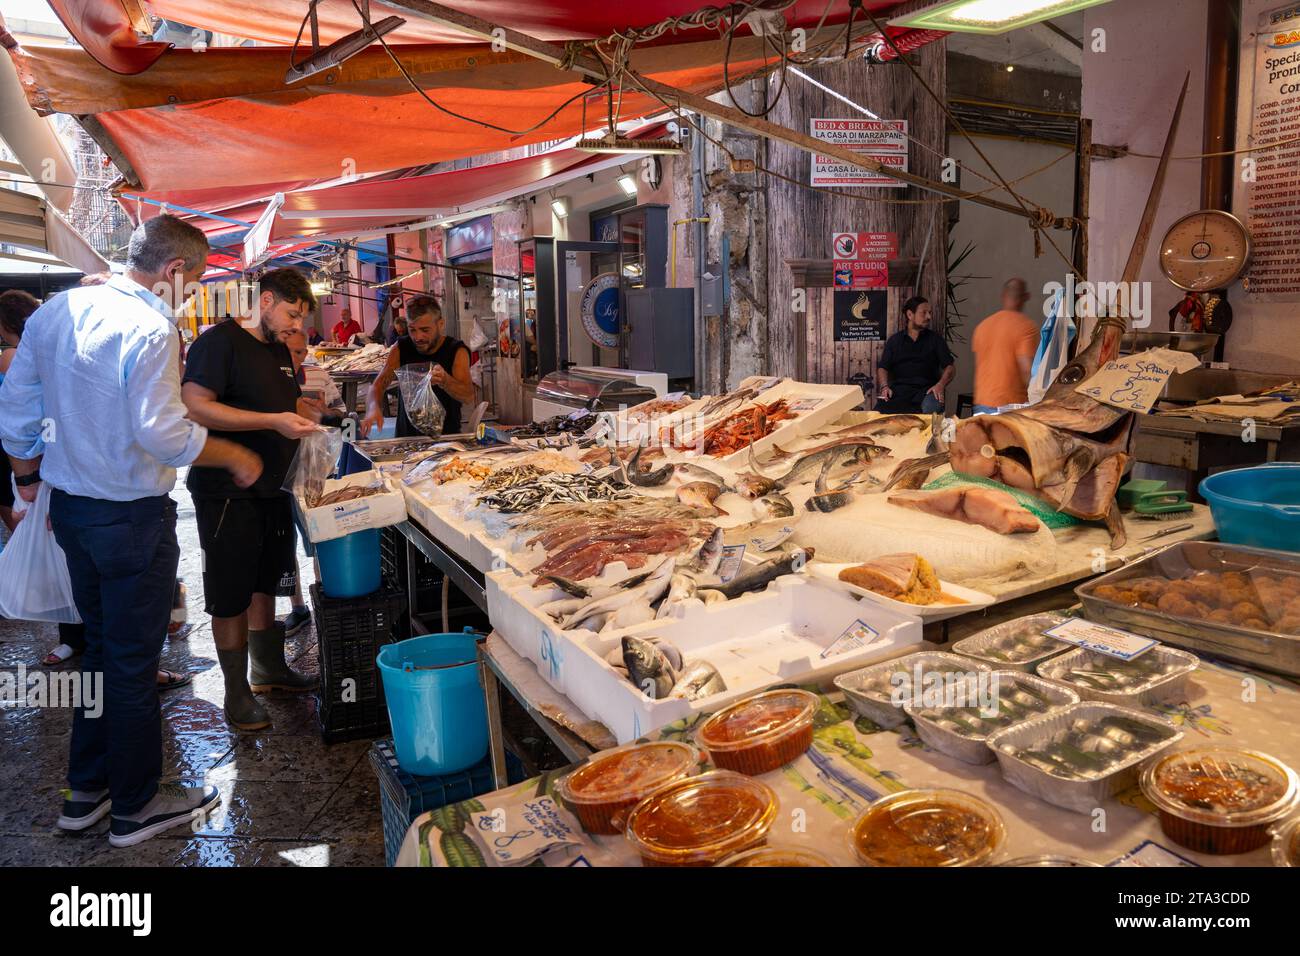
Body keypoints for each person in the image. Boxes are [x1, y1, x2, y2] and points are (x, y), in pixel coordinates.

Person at [0, 214, 262, 847]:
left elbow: (16, 414)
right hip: (130, 519)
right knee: (132, 662)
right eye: (195, 281)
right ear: (174, 270)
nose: (193, 293)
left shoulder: (57, 311)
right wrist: (230, 453)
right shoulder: (150, 326)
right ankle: (136, 807)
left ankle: (83, 795)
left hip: (73, 514)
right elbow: (162, 434)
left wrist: (28, 474)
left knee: (99, 651)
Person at [182, 268, 321, 731]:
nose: (296, 327)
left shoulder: (279, 349)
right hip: (227, 491)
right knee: (231, 592)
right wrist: (272, 421)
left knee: (268, 582)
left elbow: (278, 406)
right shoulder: (217, 343)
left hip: (274, 488)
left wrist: (305, 413)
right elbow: (195, 404)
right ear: (264, 300)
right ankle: (236, 693)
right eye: (292, 314)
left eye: (301, 318)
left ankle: (268, 668)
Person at [360, 294, 474, 438]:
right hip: (406, 440)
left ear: (440, 324)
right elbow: (378, 385)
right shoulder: (401, 348)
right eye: (412, 330)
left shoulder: (456, 351)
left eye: (425, 330)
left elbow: (468, 396)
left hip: (446, 440)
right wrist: (372, 407)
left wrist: (445, 381)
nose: (418, 337)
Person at [276, 329, 314, 636]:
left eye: (301, 352)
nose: (296, 358)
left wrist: (327, 417)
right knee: (283, 540)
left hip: (308, 469)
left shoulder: (315, 377)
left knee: (316, 535)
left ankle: (323, 597)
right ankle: (298, 606)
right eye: (291, 351)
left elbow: (339, 416)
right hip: (275, 472)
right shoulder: (270, 379)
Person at [0, 290, 39, 535]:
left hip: (14, 450)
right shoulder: (41, 351)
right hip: (36, 445)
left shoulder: (11, 355)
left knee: (20, 525)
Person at [971, 277, 1040, 415]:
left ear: (1003, 296)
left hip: (981, 403)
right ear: (1026, 297)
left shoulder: (982, 326)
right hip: (1011, 406)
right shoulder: (1026, 327)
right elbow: (1026, 370)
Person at [875, 295, 954, 414]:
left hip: (927, 391)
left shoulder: (935, 340)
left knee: (929, 409)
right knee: (878, 413)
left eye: (930, 313)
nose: (929, 316)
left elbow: (950, 367)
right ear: (910, 315)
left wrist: (940, 385)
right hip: (899, 391)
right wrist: (884, 387)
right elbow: (883, 368)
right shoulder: (895, 341)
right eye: (924, 313)